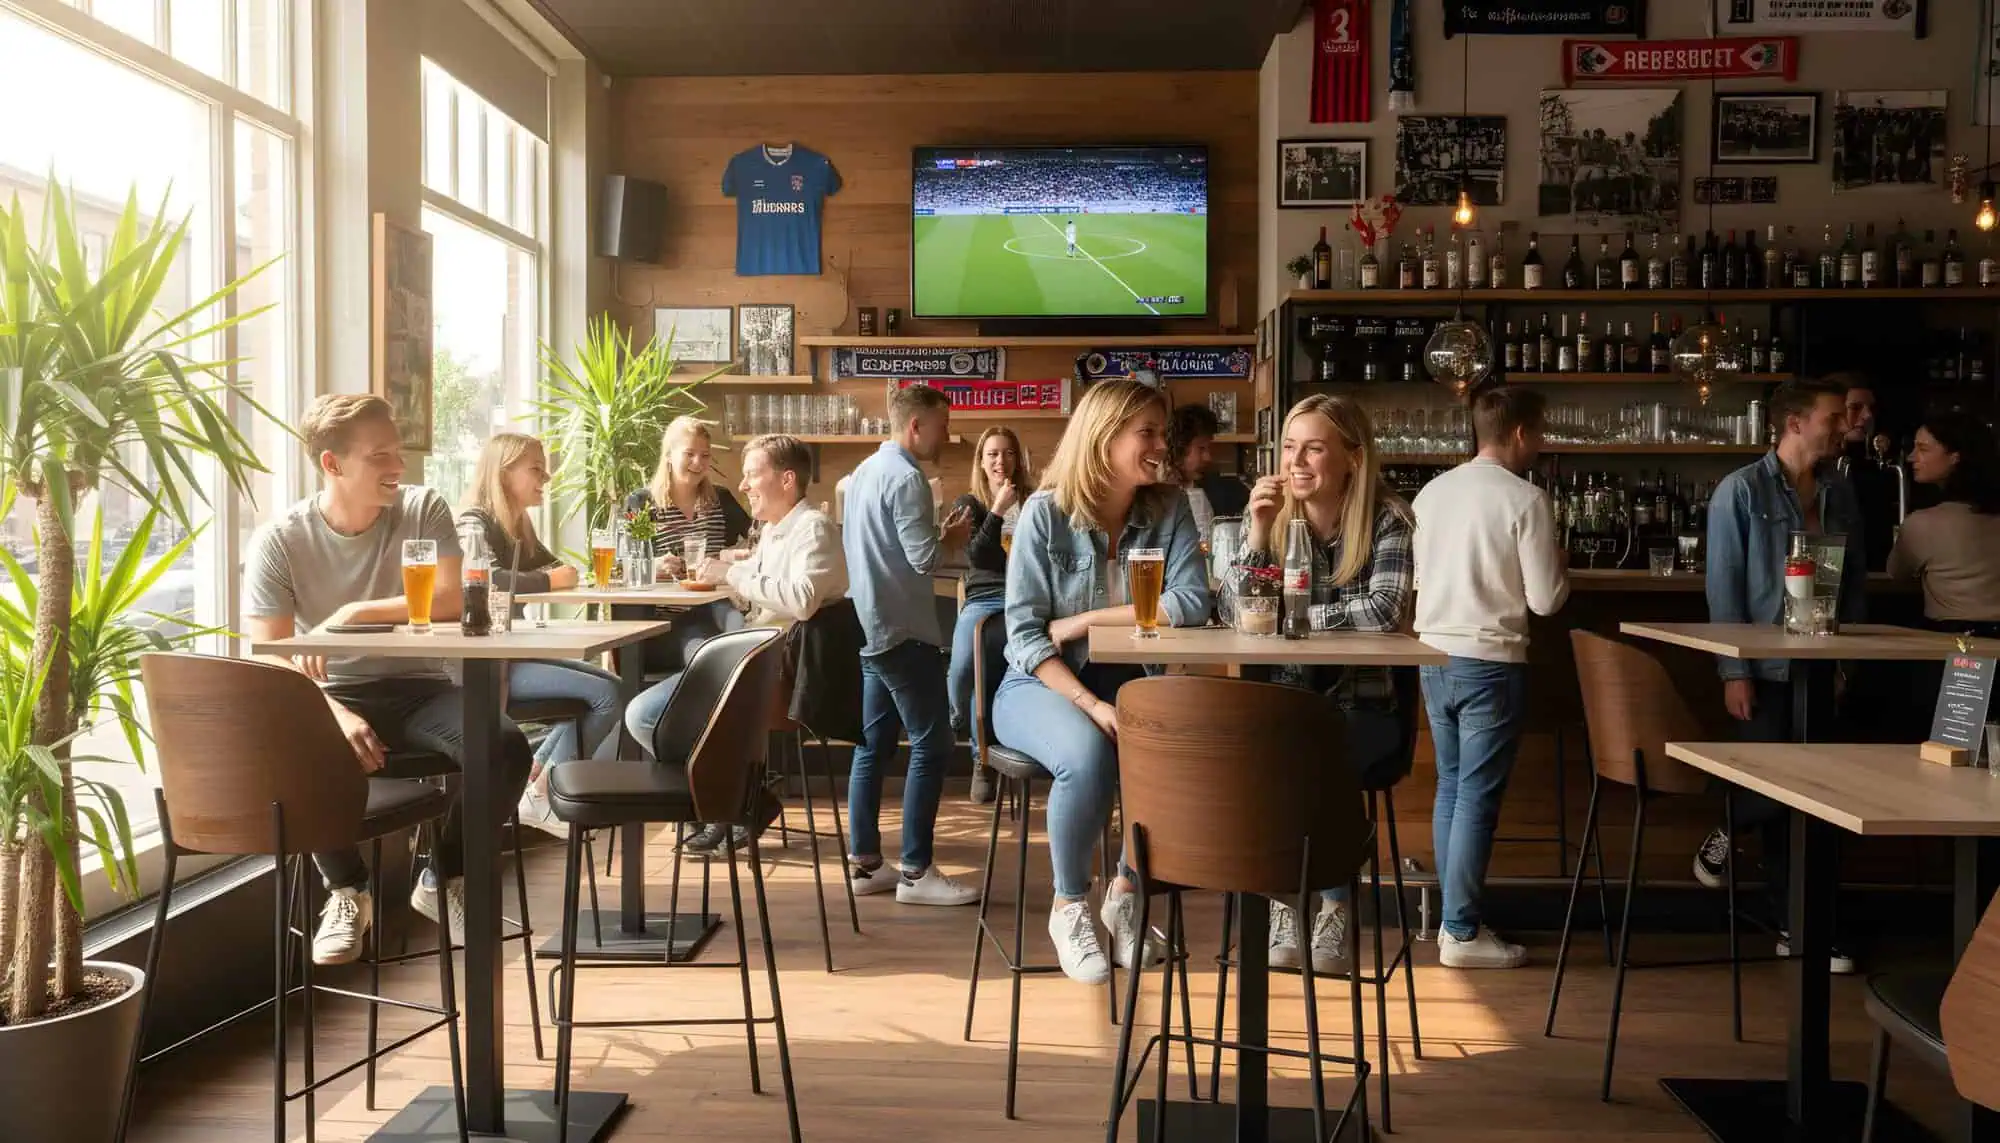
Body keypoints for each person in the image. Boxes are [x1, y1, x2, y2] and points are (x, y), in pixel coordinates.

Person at [242, 394, 534, 966]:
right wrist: (332, 712)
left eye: (398, 451)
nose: (398, 466)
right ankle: (348, 890)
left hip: (419, 687)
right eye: (381, 456)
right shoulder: (280, 540)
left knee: (503, 746)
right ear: (332, 464)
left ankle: (446, 874)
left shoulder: (423, 508)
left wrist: (357, 612)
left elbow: (451, 600)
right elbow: (270, 654)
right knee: (292, 750)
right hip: (333, 695)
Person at [993, 377, 1211, 983]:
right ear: (1104, 437)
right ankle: (1068, 905)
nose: (1161, 445)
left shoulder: (1169, 509)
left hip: (1132, 681)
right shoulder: (1046, 514)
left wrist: (1087, 617)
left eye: (1162, 433)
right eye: (1147, 432)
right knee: (1090, 754)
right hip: (1040, 685)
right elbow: (1027, 638)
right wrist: (1090, 704)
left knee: (1167, 748)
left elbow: (1192, 600)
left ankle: (1123, 894)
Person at [1230, 395, 1412, 975]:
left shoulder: (1389, 519)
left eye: (1313, 448)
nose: (1296, 461)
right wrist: (1258, 531)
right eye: (1288, 447)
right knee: (1265, 751)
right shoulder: (1275, 519)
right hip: (1290, 702)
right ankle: (1287, 903)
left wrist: (1295, 621)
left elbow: (1384, 608)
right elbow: (1237, 610)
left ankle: (1331, 903)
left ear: (1352, 458)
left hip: (1369, 707)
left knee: (1312, 755)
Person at [1695, 378, 1864, 974]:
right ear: (1795, 423)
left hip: (1823, 663)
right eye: (1833, 417)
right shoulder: (1739, 491)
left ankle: (1810, 930)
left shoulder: (1840, 491)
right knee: (1779, 793)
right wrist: (1732, 670)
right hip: (1764, 668)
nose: (1843, 425)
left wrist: (1846, 660)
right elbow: (1725, 589)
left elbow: (1854, 583)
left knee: (1821, 802)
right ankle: (1744, 839)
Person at [624, 434, 847, 853]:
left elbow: (800, 600)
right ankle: (737, 801)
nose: (742, 487)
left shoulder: (812, 529)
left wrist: (733, 576)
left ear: (786, 480)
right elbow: (756, 595)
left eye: (751, 475)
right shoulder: (776, 532)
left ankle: (727, 802)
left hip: (773, 675)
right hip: (756, 663)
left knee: (642, 715)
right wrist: (725, 575)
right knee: (646, 715)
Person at [1411, 386, 1568, 970]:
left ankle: (1457, 926)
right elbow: (1547, 601)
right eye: (1541, 431)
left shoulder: (1431, 493)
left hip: (1433, 656)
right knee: (1474, 797)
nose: (1543, 441)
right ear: (1522, 433)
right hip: (1490, 661)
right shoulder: (1525, 499)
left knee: (1451, 789)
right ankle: (1461, 930)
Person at [842, 384, 978, 906]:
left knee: (871, 747)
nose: (947, 433)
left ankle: (866, 862)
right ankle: (917, 873)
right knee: (933, 744)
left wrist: (936, 535)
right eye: (942, 423)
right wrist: (953, 539)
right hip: (905, 631)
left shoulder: (864, 474)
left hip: (871, 627)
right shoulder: (907, 477)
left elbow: (895, 548)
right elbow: (924, 559)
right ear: (915, 426)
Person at [459, 433, 623, 838]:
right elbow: (487, 579)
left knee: (616, 690)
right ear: (503, 472)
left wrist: (560, 576)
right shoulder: (473, 523)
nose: (545, 477)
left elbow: (558, 568)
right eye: (535, 468)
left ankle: (537, 781)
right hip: (486, 667)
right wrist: (550, 581)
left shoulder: (518, 525)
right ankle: (543, 790)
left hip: (514, 654)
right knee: (610, 696)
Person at [621, 416, 754, 855]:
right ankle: (720, 806)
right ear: (669, 455)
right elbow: (626, 564)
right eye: (689, 454)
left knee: (747, 650)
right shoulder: (642, 503)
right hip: (667, 621)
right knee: (712, 665)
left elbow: (755, 538)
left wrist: (731, 556)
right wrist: (656, 567)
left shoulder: (719, 501)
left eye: (704, 455)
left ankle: (735, 800)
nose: (698, 463)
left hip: (711, 608)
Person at [948, 426, 1032, 806]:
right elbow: (979, 556)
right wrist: (997, 509)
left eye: (1008, 453)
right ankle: (971, 741)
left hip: (1027, 599)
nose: (1001, 461)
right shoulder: (971, 502)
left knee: (1008, 676)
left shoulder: (1033, 501)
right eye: (993, 454)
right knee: (966, 667)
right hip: (985, 597)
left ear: (1018, 459)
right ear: (981, 462)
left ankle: (996, 756)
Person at [1888, 411, 2000, 635]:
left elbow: (1896, 573)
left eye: (1923, 449)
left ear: (1955, 456)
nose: (1911, 457)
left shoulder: (1922, 524)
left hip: (1953, 646)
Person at [1834, 375, 1898, 571]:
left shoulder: (1882, 464)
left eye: (1871, 408)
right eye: (1855, 408)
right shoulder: (1819, 466)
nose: (1868, 415)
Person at [1168, 403, 1250, 546]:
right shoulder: (1158, 499)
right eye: (1201, 448)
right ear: (1178, 448)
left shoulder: (1213, 488)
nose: (1208, 457)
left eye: (1209, 448)